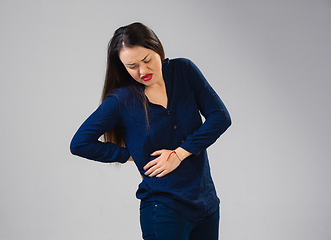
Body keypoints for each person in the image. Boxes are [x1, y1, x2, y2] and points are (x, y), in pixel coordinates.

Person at [70, 22, 231, 240]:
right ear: (122, 66)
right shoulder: (122, 99)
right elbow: (79, 143)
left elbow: (220, 117)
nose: (142, 71)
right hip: (164, 209)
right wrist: (131, 155)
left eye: (147, 60)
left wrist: (179, 154)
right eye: (132, 66)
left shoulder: (184, 71)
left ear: (157, 49)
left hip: (207, 204)